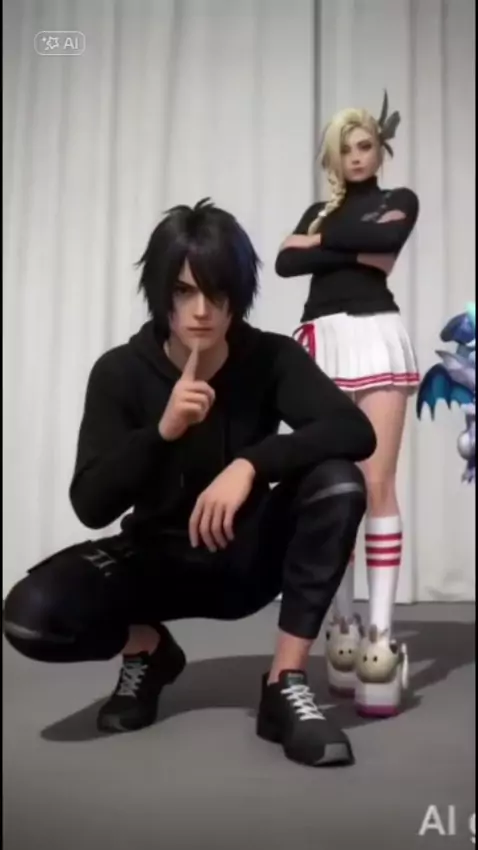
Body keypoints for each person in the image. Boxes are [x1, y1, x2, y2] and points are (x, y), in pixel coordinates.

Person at [4, 199, 376, 768]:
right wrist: (162, 431)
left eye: (217, 292)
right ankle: (149, 651)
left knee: (339, 482)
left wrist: (251, 465)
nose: (202, 311)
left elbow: (354, 430)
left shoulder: (269, 358)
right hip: (158, 564)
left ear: (237, 296)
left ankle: (284, 682)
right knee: (29, 616)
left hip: (247, 558)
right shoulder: (120, 371)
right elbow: (90, 504)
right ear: (160, 294)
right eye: (183, 291)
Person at [274, 92, 419, 717]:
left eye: (365, 145)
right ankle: (340, 629)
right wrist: (353, 247)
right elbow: (283, 262)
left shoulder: (399, 199)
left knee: (378, 482)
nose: (356, 156)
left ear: (379, 150)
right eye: (345, 148)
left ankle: (380, 641)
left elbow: (376, 237)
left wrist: (317, 242)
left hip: (375, 334)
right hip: (321, 342)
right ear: (332, 158)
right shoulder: (322, 209)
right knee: (335, 484)